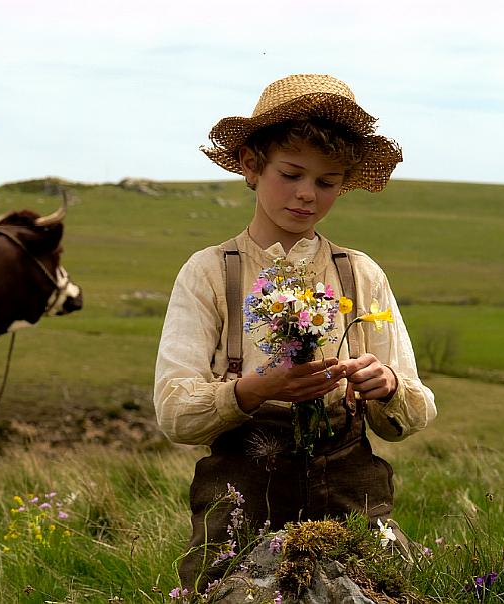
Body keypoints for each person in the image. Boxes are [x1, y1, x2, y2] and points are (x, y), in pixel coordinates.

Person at [153, 74, 437, 591]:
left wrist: (387, 386)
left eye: (327, 182)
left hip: (350, 490)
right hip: (242, 495)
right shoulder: (210, 272)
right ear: (250, 165)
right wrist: (249, 391)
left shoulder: (361, 273)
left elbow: (413, 414)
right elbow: (174, 413)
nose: (307, 194)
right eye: (291, 173)